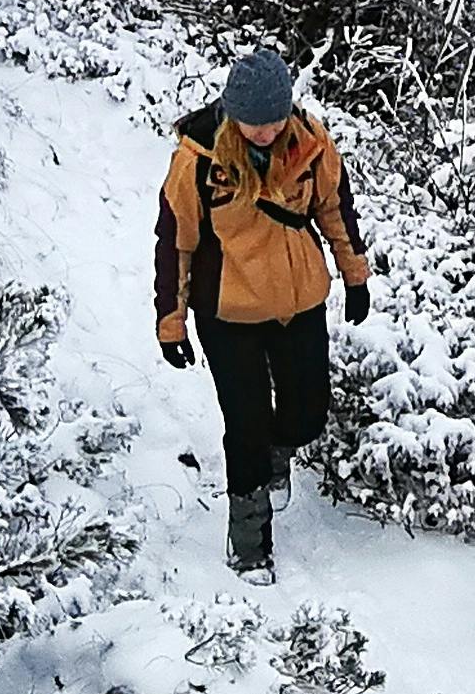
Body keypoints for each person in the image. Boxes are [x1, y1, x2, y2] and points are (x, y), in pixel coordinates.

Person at [150, 46, 375, 572]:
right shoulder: (198, 160)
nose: (266, 133)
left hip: (298, 303)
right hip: (228, 314)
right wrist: (171, 320)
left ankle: (280, 451)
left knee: (306, 413)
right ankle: (250, 543)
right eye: (254, 124)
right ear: (234, 114)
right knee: (245, 423)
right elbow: (175, 241)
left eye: (274, 122)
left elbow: (334, 208)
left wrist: (354, 274)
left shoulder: (311, 143)